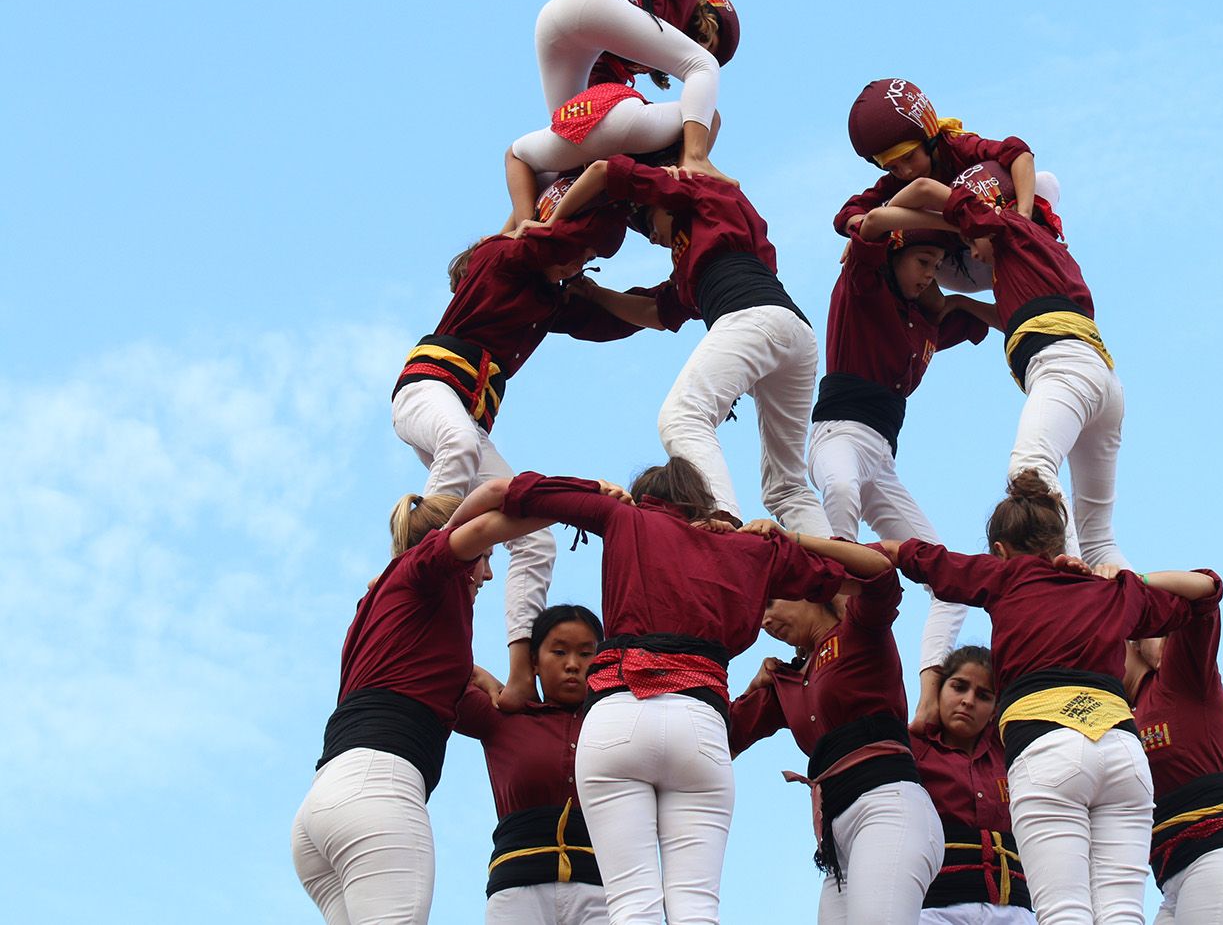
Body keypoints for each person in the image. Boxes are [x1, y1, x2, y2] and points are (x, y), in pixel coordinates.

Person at [495, 458, 890, 925]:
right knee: (697, 908)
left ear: (644, 497)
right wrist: (789, 538)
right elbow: (876, 572)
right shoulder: (747, 549)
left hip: (616, 715)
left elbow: (520, 491)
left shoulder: (624, 518)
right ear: (702, 502)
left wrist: (597, 488)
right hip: (698, 725)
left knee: (630, 906)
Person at [882, 471, 1219, 925]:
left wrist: (808, 546)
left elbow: (910, 555)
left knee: (1064, 913)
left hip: (1047, 749)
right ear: (1060, 546)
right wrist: (1129, 578)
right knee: (1122, 912)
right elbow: (1207, 590)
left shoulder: (1005, 577)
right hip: (1121, 750)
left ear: (1000, 551)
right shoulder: (1111, 590)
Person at [391, 197, 632, 714]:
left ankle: (522, 675)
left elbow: (622, 318)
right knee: (455, 443)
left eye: (583, 260)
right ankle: (418, 568)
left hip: (468, 422)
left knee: (536, 539)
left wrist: (680, 296)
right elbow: (539, 229)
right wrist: (595, 191)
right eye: (574, 252)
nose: (574, 264)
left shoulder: (549, 301)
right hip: (426, 390)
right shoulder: (500, 259)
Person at [290, 479, 565, 924]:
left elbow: (443, 684)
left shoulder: (383, 605)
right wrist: (582, 502)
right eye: (486, 562)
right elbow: (485, 524)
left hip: (321, 807)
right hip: (377, 793)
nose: (488, 575)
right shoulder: (425, 569)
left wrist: (479, 675)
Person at [539, 156, 831, 535]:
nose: (652, 238)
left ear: (661, 197)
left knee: (681, 417)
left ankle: (722, 518)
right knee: (785, 485)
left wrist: (546, 228)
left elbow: (601, 172)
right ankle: (838, 572)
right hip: (792, 334)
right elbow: (656, 312)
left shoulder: (702, 195)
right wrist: (594, 294)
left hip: (754, 318)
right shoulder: (690, 262)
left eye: (647, 223)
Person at [874, 162, 1126, 571]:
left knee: (1030, 470)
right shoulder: (1042, 252)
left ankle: (1081, 594)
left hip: (1063, 370)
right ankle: (1143, 628)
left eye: (971, 244)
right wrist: (959, 303)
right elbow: (1014, 318)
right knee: (1100, 535)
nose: (972, 256)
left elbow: (922, 187)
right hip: (1101, 379)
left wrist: (888, 225)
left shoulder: (1006, 225)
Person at [805, 211, 995, 725]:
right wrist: (948, 214)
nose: (929, 274)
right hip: (838, 434)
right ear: (895, 255)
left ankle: (927, 699)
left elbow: (999, 314)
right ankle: (839, 623)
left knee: (948, 581)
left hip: (883, 460)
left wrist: (962, 289)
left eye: (937, 265)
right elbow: (865, 228)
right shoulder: (863, 286)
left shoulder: (927, 321)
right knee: (841, 489)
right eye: (922, 262)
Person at [729, 527, 942, 925]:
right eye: (760, 610)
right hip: (836, 840)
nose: (765, 620)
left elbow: (880, 575)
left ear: (808, 590)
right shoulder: (786, 680)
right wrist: (753, 687)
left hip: (886, 808)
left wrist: (795, 541)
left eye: (772, 602)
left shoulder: (859, 629)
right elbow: (725, 738)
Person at [504, 0, 739, 224]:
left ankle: (515, 226)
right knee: (701, 66)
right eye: (705, 39)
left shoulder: (622, 61)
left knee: (571, 135)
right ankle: (696, 159)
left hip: (555, 25)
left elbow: (606, 115)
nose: (695, 44)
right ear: (706, 16)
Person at [1117, 583, 1223, 923]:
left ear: (1131, 642)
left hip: (1222, 860)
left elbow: (1204, 592)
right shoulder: (1121, 719)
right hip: (1179, 876)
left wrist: (1133, 583)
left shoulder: (1179, 680)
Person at [455, 604, 610, 925]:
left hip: (604, 893)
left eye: (585, 654)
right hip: (516, 892)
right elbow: (431, 669)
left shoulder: (620, 726)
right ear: (534, 662)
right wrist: (479, 675)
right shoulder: (503, 717)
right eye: (558, 651)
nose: (572, 665)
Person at [835, 78, 1061, 291]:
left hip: (998, 230)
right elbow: (847, 214)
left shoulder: (957, 147)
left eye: (909, 157)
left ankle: (1040, 243)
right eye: (892, 167)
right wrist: (865, 233)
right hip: (961, 261)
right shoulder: (895, 183)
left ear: (929, 140)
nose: (905, 171)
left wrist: (1024, 217)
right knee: (903, 254)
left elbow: (1018, 153)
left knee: (1044, 182)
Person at [911, 646, 1035, 924]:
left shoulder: (1012, 753)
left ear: (995, 709)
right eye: (959, 687)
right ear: (938, 690)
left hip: (1015, 912)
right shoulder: (913, 749)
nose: (968, 701)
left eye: (983, 696)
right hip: (934, 911)